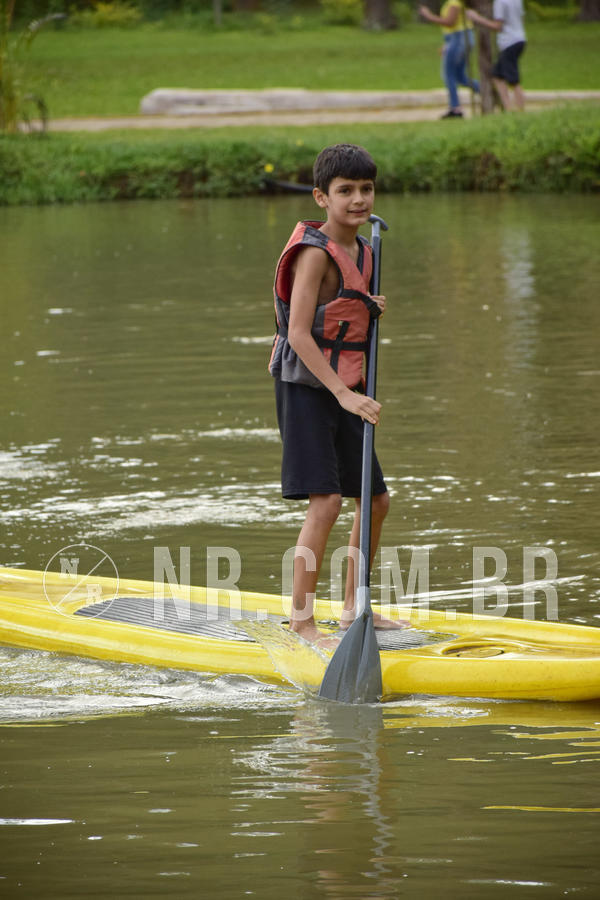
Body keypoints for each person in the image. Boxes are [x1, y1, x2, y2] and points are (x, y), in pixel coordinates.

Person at [268, 144, 405, 645]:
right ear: (321, 197)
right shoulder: (313, 253)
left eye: (365, 189)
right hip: (307, 385)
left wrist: (369, 306)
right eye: (345, 191)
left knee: (374, 499)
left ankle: (354, 609)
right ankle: (301, 621)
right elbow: (301, 334)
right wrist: (345, 396)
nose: (358, 199)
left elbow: (343, 312)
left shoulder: (365, 250)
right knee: (326, 502)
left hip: (347, 383)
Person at [419, 0, 480, 118]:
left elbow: (450, 22)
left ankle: (455, 108)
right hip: (459, 39)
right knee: (460, 76)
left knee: (449, 75)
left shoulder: (454, 2)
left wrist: (429, 16)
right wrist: (448, 44)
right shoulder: (456, 2)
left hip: (458, 39)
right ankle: (487, 90)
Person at [467, 0, 526, 111]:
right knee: (497, 75)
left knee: (513, 80)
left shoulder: (500, 2)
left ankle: (520, 110)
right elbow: (522, 18)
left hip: (509, 42)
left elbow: (498, 26)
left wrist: (476, 18)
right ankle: (508, 107)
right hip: (520, 38)